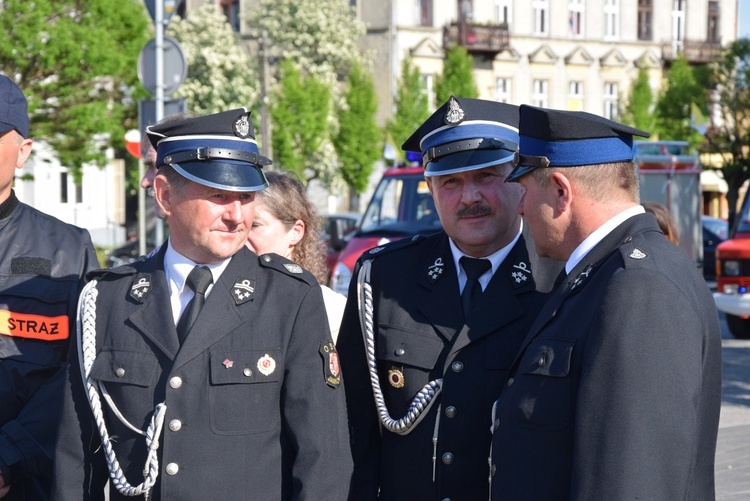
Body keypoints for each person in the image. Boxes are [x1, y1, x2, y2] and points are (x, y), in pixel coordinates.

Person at [52, 108, 353, 500]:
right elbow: (74, 457)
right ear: (164, 195)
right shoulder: (106, 300)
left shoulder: (289, 298)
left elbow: (322, 460)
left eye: (246, 198)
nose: (236, 216)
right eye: (218, 196)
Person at [490, 105, 722, 499]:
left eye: (524, 190)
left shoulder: (638, 289)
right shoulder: (604, 275)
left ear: (561, 192)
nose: (520, 207)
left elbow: (632, 480)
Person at [336, 96, 562, 500]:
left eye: (486, 176)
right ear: (430, 188)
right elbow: (354, 431)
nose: (468, 197)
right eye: (451, 182)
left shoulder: (559, 279)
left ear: (518, 179)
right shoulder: (384, 278)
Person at [0, 76, 98, 500]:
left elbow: (84, 371)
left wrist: (8, 458)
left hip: (29, 479)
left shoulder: (67, 250)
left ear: (23, 152)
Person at [246, 170, 347, 342]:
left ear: (296, 231)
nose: (241, 236)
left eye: (254, 225)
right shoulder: (218, 299)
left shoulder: (331, 310)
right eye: (238, 225)